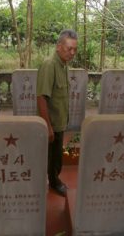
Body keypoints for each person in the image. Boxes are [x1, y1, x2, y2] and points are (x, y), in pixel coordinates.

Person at [36, 29, 78, 197]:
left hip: (59, 122)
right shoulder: (50, 65)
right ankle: (54, 183)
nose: (72, 52)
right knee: (53, 159)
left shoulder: (63, 65)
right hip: (52, 123)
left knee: (56, 157)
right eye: (69, 48)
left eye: (75, 49)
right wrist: (48, 127)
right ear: (59, 47)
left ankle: (53, 179)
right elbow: (41, 97)